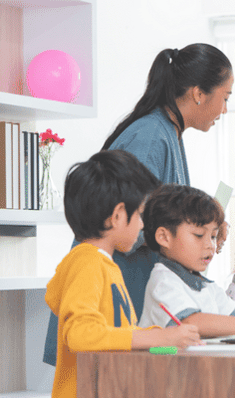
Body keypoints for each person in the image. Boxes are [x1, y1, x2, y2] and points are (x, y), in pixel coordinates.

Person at [43, 43, 233, 366]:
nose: (225, 110)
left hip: (120, 337)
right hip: (104, 344)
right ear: (199, 93)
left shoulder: (168, 134)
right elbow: (84, 335)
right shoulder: (150, 138)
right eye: (225, 98)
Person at [45, 150, 201, 398]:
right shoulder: (87, 264)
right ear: (118, 215)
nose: (142, 224)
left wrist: (162, 337)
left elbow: (117, 332)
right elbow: (80, 335)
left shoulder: (105, 265)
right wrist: (158, 339)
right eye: (139, 214)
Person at [138, 185, 235, 338]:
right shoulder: (163, 281)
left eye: (213, 236)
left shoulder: (207, 286)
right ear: (164, 237)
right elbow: (192, 322)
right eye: (198, 235)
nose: (210, 244)